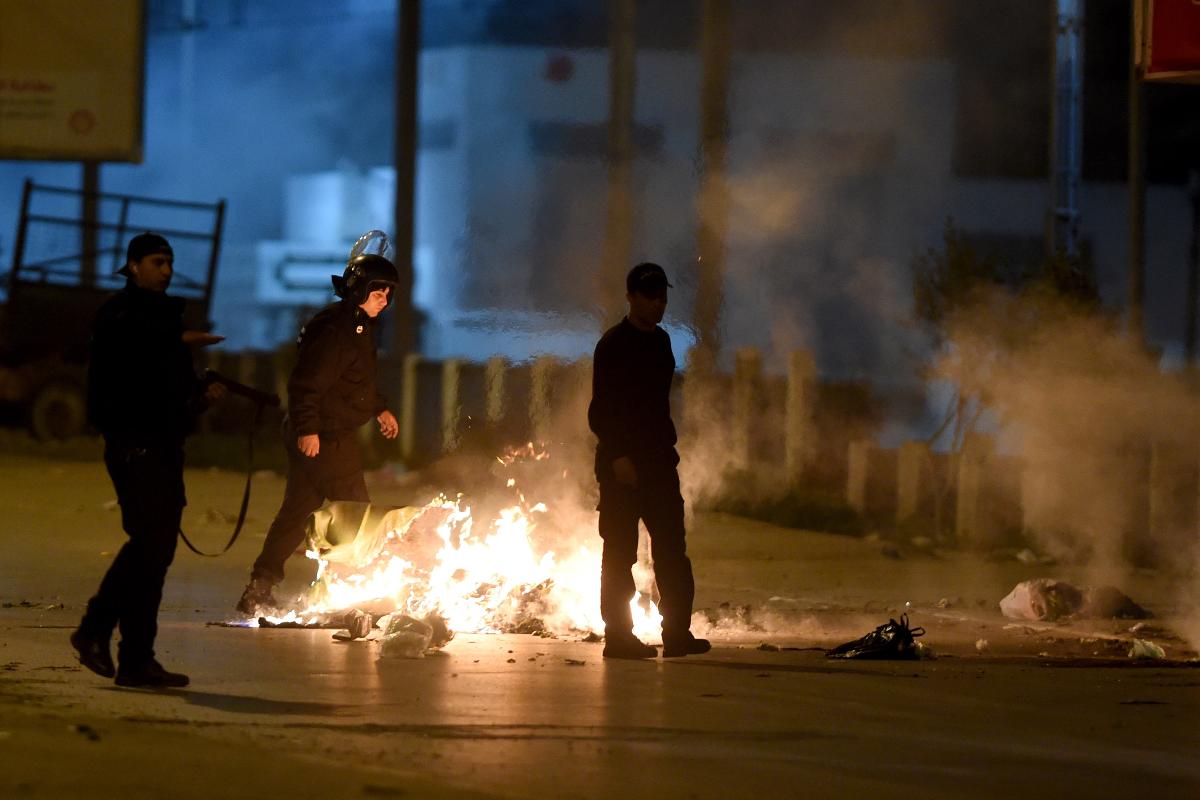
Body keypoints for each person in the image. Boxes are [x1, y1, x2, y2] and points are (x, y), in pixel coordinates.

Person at [71, 232, 226, 688]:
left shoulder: (162, 317)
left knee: (155, 554)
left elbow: (168, 392)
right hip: (133, 446)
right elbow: (133, 349)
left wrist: (202, 397)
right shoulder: (121, 313)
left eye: (169, 262)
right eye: (157, 261)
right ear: (133, 265)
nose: (166, 270)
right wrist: (179, 338)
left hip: (162, 447)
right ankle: (95, 629)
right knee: (147, 545)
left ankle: (137, 658)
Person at [235, 251, 400, 615]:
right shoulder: (336, 330)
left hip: (327, 433)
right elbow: (306, 385)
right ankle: (357, 588)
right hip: (325, 436)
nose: (384, 300)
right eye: (378, 292)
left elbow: (355, 381)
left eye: (389, 294)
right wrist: (308, 429)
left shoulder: (357, 325)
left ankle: (259, 588)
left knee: (297, 512)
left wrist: (379, 407)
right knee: (356, 513)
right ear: (358, 290)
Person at [588, 262, 711, 659]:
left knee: (672, 551)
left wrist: (661, 454)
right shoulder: (613, 345)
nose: (657, 303)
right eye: (649, 295)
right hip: (623, 467)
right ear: (631, 296)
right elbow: (602, 411)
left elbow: (656, 406)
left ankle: (677, 633)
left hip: (658, 464)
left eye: (662, 295)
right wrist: (620, 456)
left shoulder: (661, 343)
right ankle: (619, 637)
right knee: (620, 553)